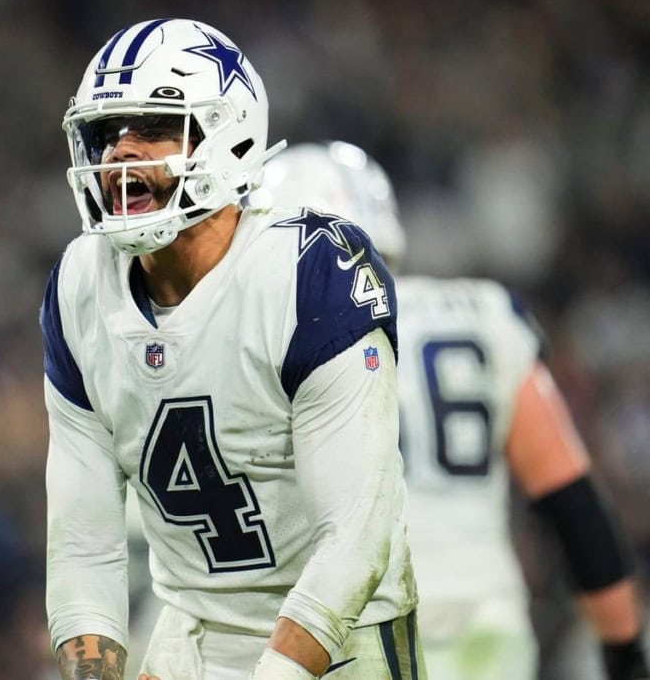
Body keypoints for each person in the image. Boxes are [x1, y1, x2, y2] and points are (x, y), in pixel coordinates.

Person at [40, 18, 426, 680]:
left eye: (154, 127)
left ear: (229, 135)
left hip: (337, 642)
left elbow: (359, 531)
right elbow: (85, 541)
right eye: (109, 134)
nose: (120, 155)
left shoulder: (308, 270)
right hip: (191, 633)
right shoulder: (81, 284)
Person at [257, 140, 650, 680]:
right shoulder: (484, 316)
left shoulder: (268, 342)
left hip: (346, 638)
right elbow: (573, 505)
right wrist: (624, 653)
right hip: (483, 634)